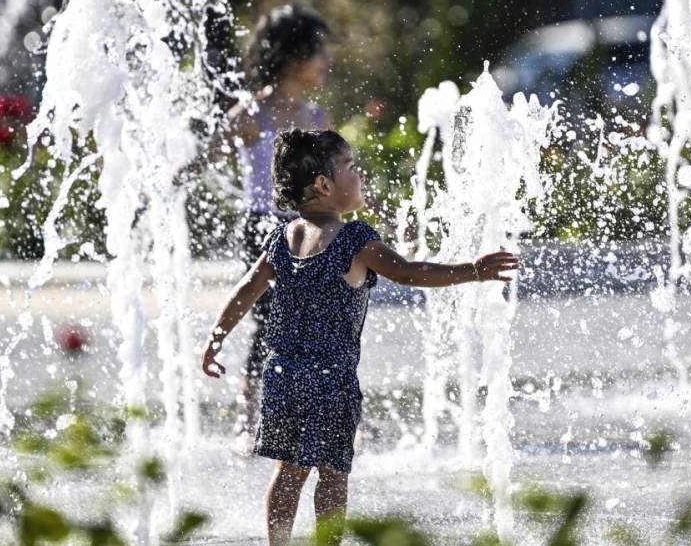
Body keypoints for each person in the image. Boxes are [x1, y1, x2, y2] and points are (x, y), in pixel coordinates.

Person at [198, 129, 520, 545]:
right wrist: (471, 271)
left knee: (288, 473)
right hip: (331, 381)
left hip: (281, 375)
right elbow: (409, 273)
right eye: (350, 166)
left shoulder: (283, 238)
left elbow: (245, 290)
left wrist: (215, 338)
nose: (360, 174)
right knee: (332, 474)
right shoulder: (353, 238)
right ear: (323, 185)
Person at [179, 5, 331, 448]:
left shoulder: (316, 118)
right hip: (265, 230)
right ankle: (250, 419)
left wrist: (379, 207)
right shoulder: (253, 115)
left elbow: (340, 175)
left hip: (311, 230)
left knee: (314, 323)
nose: (325, 62)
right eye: (317, 52)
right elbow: (207, 157)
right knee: (269, 322)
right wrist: (165, 182)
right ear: (292, 57)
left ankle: (310, 410)